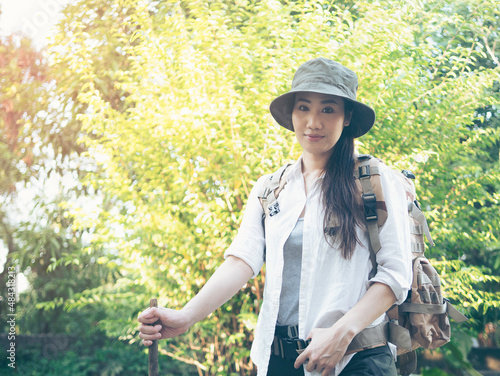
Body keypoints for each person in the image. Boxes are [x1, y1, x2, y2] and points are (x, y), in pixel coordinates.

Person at [137, 58, 412, 376]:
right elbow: (242, 261)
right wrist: (185, 316)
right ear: (292, 113)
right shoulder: (271, 188)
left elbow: (395, 274)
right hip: (278, 362)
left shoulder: (373, 180)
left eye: (328, 109)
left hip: (355, 360)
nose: (313, 122)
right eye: (304, 108)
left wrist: (342, 332)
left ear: (347, 116)